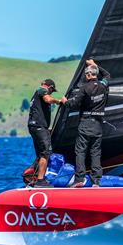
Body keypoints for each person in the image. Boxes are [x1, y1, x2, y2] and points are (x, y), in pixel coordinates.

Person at [64, 59, 110, 188]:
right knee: (95, 152)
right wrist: (95, 65)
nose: (85, 76)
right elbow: (107, 75)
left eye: (86, 74)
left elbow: (73, 104)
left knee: (81, 151)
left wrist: (64, 101)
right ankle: (96, 181)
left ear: (89, 74)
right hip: (98, 125)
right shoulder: (103, 85)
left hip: (86, 123)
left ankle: (80, 179)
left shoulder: (84, 88)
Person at [25, 79, 66, 187]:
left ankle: (31, 174)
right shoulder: (42, 90)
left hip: (35, 126)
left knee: (41, 153)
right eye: (52, 90)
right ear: (49, 87)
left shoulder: (37, 95)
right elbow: (48, 99)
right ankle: (40, 181)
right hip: (39, 127)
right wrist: (59, 101)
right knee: (46, 152)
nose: (51, 93)